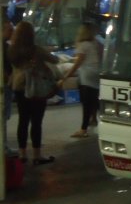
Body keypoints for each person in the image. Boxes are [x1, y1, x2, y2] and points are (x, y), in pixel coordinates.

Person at [8, 21, 59, 165]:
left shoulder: (12, 50)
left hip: (19, 87)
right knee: (36, 122)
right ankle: (37, 155)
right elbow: (55, 60)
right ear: (32, 34)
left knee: (23, 121)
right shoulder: (36, 50)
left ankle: (22, 154)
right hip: (36, 88)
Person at [59, 23, 102, 138]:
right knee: (95, 99)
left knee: (86, 102)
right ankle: (94, 119)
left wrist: (65, 77)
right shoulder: (96, 43)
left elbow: (78, 63)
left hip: (86, 75)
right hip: (96, 73)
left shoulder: (83, 45)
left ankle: (83, 129)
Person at [2, 15, 16, 154]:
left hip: (6, 85)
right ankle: (4, 147)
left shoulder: (7, 46)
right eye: (9, 30)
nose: (12, 33)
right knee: (3, 117)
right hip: (4, 87)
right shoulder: (4, 47)